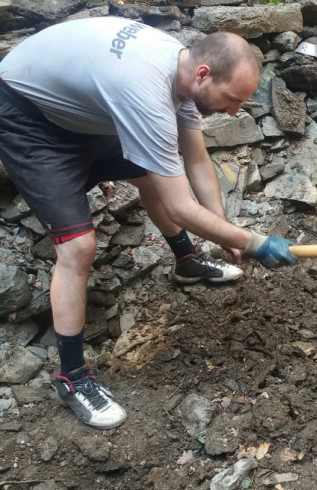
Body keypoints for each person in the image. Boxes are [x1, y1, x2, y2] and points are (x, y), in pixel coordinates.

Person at [0, 17, 298, 429]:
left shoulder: (182, 73)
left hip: (83, 111)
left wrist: (224, 231)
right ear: (204, 74)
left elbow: (196, 160)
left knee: (150, 174)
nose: (234, 111)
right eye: (232, 99)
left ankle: (187, 261)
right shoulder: (145, 92)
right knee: (78, 247)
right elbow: (180, 207)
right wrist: (254, 242)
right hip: (29, 118)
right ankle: (71, 378)